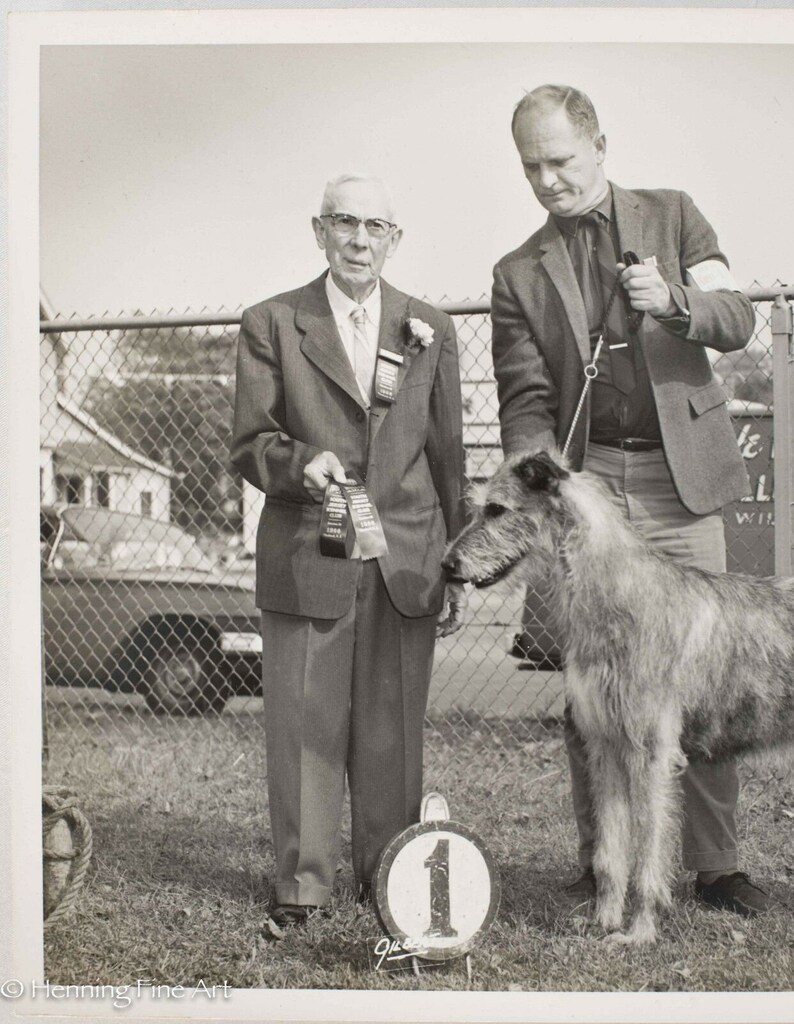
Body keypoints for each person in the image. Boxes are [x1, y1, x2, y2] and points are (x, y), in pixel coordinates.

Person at [491, 84, 770, 916]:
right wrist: (539, 478)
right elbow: (525, 397)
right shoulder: (516, 272)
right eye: (530, 167)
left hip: (683, 483)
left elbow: (738, 317)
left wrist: (675, 302)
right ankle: (603, 862)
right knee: (597, 685)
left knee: (707, 674)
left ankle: (715, 867)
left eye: (561, 162)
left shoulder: (674, 216)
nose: (546, 181)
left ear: (601, 146)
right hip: (590, 497)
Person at [230, 174, 467, 926]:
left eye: (375, 226)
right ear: (318, 230)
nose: (359, 240)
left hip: (407, 560)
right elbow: (250, 442)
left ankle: (388, 878)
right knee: (306, 725)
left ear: (394, 239)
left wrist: (455, 559)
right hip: (309, 549)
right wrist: (302, 465)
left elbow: (447, 455)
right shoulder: (271, 323)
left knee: (392, 732)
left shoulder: (429, 327)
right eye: (344, 223)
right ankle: (302, 886)